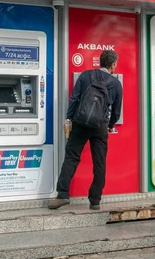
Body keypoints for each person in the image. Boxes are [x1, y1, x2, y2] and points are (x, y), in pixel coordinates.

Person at [49, 50, 123, 211]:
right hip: (100, 127)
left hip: (80, 123)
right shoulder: (116, 84)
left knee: (71, 157)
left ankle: (62, 195)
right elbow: (116, 111)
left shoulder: (85, 75)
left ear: (100, 62)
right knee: (99, 163)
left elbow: (74, 98)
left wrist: (69, 118)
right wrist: (110, 125)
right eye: (116, 63)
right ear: (112, 65)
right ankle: (95, 200)